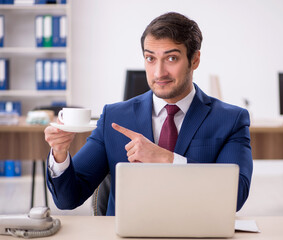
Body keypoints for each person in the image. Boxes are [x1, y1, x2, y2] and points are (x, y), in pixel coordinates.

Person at [44, 12, 253, 216]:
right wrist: (60, 154)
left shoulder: (230, 120)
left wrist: (167, 159)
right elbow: (68, 199)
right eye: (150, 58)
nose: (159, 72)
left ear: (195, 60)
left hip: (195, 232)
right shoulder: (115, 117)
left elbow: (235, 196)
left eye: (171, 58)